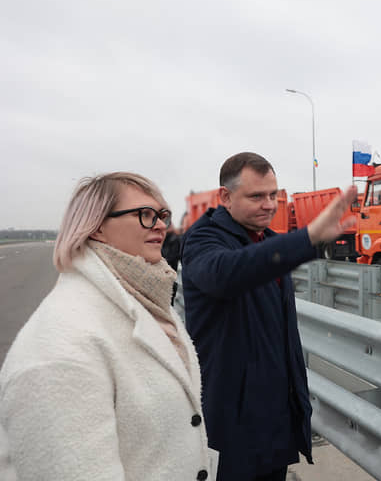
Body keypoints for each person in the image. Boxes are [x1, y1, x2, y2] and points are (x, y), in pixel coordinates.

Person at [0, 172, 214, 480]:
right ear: (97, 226)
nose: (161, 225)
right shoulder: (61, 345)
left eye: (162, 215)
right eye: (145, 215)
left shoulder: (146, 298)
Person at [182, 152, 356, 481]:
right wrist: (306, 238)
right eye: (256, 196)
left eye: (273, 195)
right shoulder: (203, 239)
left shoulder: (271, 242)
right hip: (230, 424)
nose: (269, 205)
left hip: (274, 420)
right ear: (225, 197)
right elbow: (227, 274)